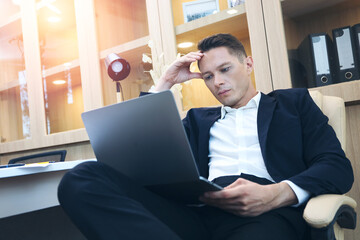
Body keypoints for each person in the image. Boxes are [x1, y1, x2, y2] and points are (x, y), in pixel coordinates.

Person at [58, 33, 354, 240]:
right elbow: (133, 159)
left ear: (248, 64)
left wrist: (275, 195)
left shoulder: (294, 104)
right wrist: (165, 82)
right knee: (81, 178)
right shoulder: (197, 120)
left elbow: (336, 167)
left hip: (266, 214)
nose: (218, 82)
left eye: (225, 69)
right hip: (197, 213)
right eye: (209, 76)